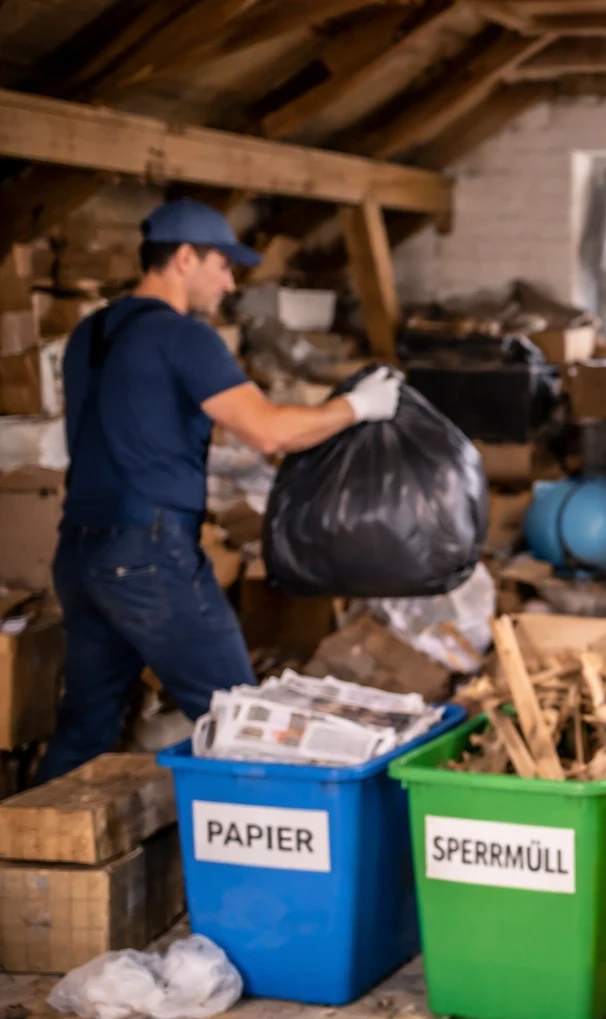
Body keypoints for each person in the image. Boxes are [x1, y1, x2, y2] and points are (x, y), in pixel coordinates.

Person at [36, 199, 402, 782]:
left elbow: (133, 427)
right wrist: (356, 407)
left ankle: (32, 864)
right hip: (150, 558)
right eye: (223, 266)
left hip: (81, 556)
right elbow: (270, 431)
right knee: (241, 721)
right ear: (184, 258)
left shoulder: (90, 334)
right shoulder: (185, 337)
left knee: (84, 732)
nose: (230, 283)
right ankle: (264, 863)